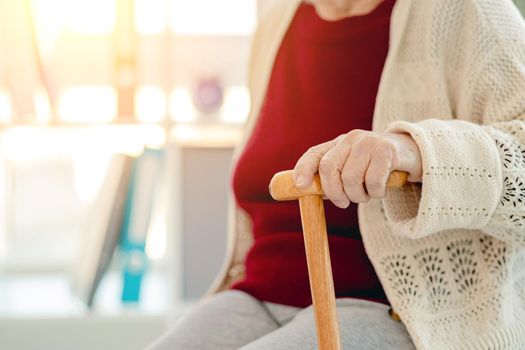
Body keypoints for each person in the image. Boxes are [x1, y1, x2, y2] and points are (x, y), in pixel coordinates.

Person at [148, 0, 525, 348]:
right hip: (260, 294)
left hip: (396, 305)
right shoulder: (278, 18)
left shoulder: (465, 10)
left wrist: (416, 150)